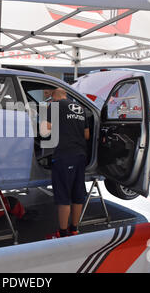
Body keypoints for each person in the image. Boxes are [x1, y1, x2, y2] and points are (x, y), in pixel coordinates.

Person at [40, 88, 90, 238]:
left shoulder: (55, 106)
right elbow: (86, 135)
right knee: (77, 194)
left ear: (54, 97)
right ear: (65, 95)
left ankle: (62, 233)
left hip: (64, 155)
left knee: (63, 196)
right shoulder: (80, 109)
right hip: (80, 156)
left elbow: (44, 129)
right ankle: (74, 229)